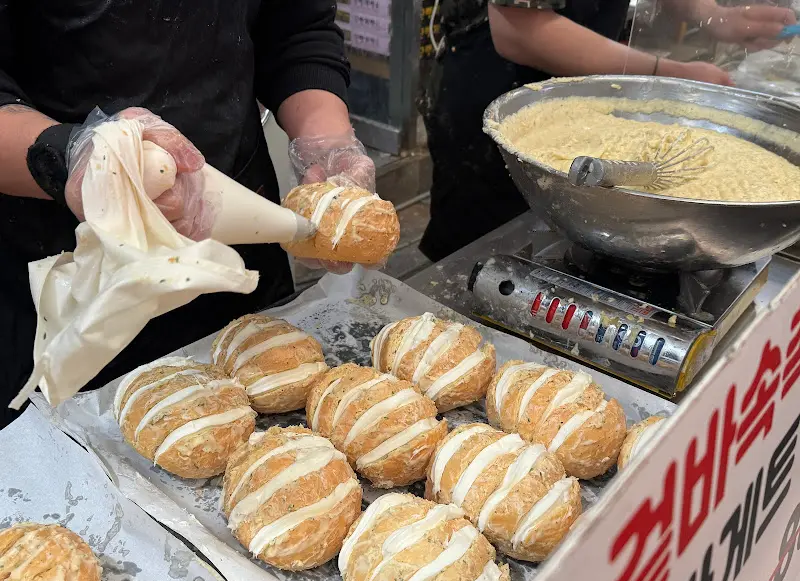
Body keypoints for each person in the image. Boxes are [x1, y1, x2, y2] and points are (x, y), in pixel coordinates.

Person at [0, 1, 375, 426]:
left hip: (239, 258)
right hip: (68, 292)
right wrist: (77, 154)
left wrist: (326, 143)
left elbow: (294, 27)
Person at [418, 0, 796, 262]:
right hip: (503, 99)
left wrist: (710, 14)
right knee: (478, 253)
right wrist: (664, 75)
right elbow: (518, 29)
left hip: (595, 95)